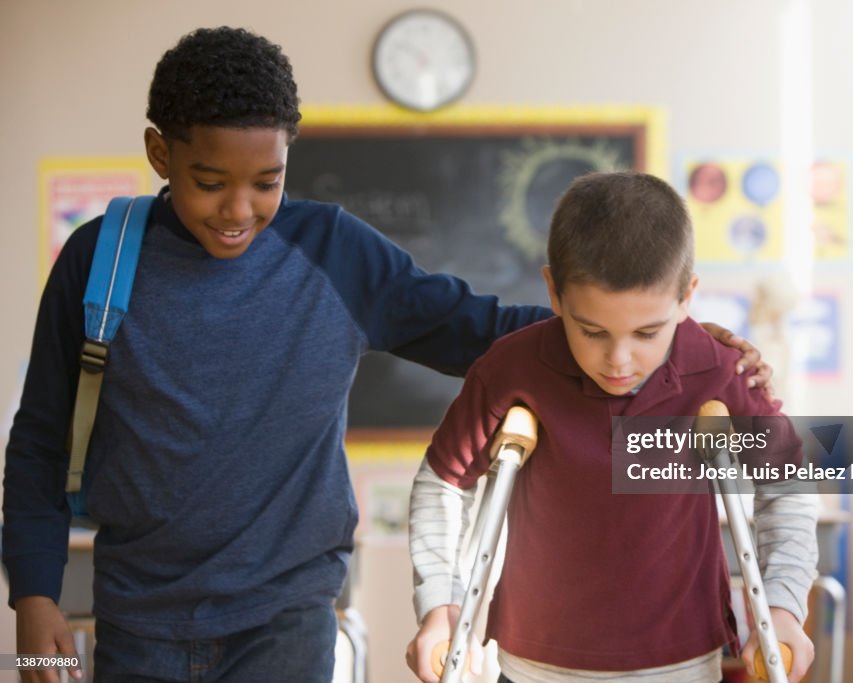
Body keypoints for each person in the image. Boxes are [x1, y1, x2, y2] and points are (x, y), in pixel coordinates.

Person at [1, 27, 772, 683]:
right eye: (210, 183)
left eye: (267, 181)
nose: (239, 210)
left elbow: (483, 327)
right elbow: (38, 438)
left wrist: (664, 337)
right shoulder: (101, 259)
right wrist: (33, 596)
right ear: (159, 153)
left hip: (286, 610)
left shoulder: (332, 250)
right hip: (138, 612)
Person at [406, 171, 819, 683]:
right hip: (536, 663)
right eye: (592, 330)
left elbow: (787, 486)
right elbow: (444, 483)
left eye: (648, 332)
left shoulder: (718, 369)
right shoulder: (512, 370)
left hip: (682, 661)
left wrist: (783, 606)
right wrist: (439, 605)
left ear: (687, 296)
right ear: (554, 291)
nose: (619, 360)